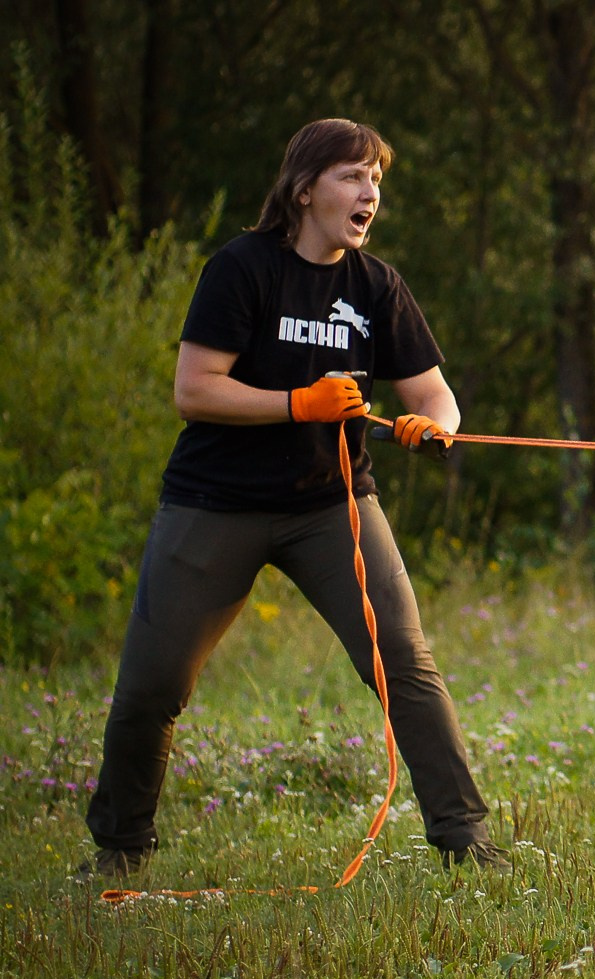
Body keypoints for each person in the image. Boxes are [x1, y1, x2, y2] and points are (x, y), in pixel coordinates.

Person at [81, 118, 509, 877]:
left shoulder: (377, 286)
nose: (369, 191)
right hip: (215, 503)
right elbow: (195, 390)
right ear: (305, 189)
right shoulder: (242, 269)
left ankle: (465, 842)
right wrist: (296, 405)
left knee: (404, 666)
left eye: (376, 178)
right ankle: (119, 850)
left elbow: (435, 395)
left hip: (330, 508)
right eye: (353, 175)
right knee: (152, 686)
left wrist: (432, 428)